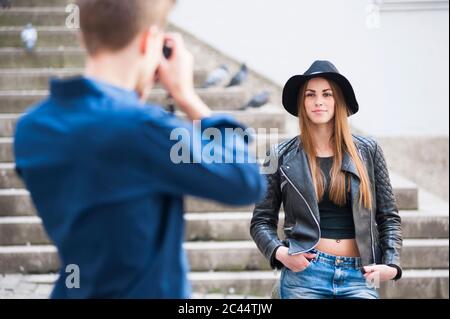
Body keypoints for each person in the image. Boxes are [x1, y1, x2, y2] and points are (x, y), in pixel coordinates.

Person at [14, 0, 266, 299]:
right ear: (149, 41)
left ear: (81, 34)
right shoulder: (142, 128)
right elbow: (246, 180)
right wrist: (187, 97)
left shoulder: (31, 128)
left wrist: (133, 96)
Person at [250, 60, 402, 299]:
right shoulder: (278, 155)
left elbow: (389, 217)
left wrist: (391, 266)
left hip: (359, 275)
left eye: (326, 94)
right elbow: (260, 221)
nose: (318, 101)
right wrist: (281, 253)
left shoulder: (368, 150)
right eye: (310, 95)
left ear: (338, 101)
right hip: (306, 274)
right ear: (302, 102)